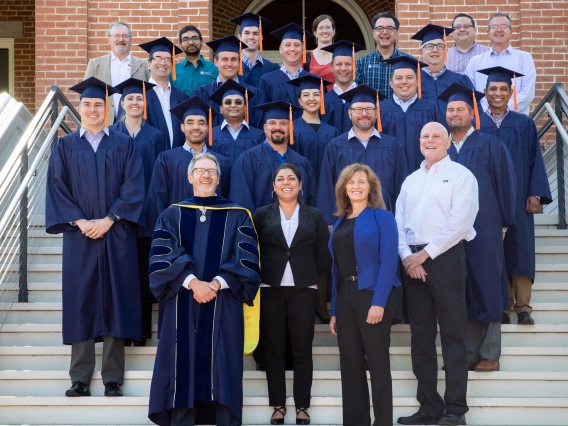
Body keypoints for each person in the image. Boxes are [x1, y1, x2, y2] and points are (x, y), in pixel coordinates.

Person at [45, 77, 145, 398]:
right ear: (80, 108)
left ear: (107, 108)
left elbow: (134, 185)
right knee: (81, 300)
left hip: (115, 233)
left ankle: (113, 377)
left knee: (118, 297)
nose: (91, 109)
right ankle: (80, 378)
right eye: (86, 104)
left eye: (98, 104)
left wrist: (109, 219)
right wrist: (79, 220)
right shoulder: (64, 145)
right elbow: (57, 187)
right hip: (79, 235)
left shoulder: (124, 144)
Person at [147, 152, 261, 426]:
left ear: (219, 179)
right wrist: (192, 282)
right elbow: (161, 256)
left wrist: (217, 283)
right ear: (190, 177)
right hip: (181, 301)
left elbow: (246, 259)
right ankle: (181, 418)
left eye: (211, 171)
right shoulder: (172, 214)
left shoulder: (238, 215)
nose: (206, 175)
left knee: (221, 363)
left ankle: (223, 417)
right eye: (200, 170)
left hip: (224, 301)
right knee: (181, 363)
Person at [395, 121, 478, 426]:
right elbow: (398, 222)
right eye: (424, 136)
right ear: (419, 142)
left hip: (445, 259)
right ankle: (429, 406)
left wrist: (425, 254)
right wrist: (408, 258)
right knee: (421, 337)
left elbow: (460, 222)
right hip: (413, 265)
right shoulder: (411, 181)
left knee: (454, 336)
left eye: (435, 136)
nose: (429, 140)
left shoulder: (461, 176)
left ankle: (456, 409)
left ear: (446, 142)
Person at [439, 83, 517, 374]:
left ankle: (490, 352)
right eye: (450, 109)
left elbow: (506, 185)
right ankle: (469, 352)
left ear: (472, 113)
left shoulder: (490, 144)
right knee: (463, 288)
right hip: (448, 232)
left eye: (460, 109)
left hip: (485, 227)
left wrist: (504, 223)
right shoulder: (441, 148)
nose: (455, 113)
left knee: (488, 284)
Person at [253, 163, 331, 426]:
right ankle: (277, 405)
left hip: (304, 291)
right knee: (273, 349)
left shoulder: (315, 216)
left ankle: (302, 406)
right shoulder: (261, 215)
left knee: (302, 350)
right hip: (270, 290)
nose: (286, 182)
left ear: (300, 184)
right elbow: (254, 253)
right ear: (273, 186)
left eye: (291, 178)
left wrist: (321, 298)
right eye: (280, 179)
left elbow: (322, 257)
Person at [477, 66, 552, 325]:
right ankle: (501, 305)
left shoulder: (524, 123)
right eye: (492, 89)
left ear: (511, 92)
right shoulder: (477, 122)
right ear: (484, 92)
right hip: (486, 199)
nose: (497, 93)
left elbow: (535, 161)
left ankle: (523, 307)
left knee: (520, 248)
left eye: (503, 89)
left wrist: (535, 194)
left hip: (519, 196)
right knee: (493, 249)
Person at [328, 163, 399, 426]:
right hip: (345, 297)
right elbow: (335, 270)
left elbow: (390, 261)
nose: (356, 186)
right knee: (350, 364)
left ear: (371, 188)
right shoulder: (338, 224)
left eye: (362, 182)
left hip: (371, 295)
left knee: (378, 364)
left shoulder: (382, 218)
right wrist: (334, 311)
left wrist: (379, 303)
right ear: (344, 189)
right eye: (351, 182)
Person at [110, 78, 167, 345]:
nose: (135, 102)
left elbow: (160, 176)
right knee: (122, 274)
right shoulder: (111, 133)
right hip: (118, 215)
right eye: (130, 99)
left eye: (139, 99)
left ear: (145, 104)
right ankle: (122, 331)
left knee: (143, 274)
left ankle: (142, 331)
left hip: (146, 213)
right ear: (122, 103)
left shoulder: (155, 135)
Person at [317, 85, 408, 225]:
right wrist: (330, 225)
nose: (364, 114)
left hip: (383, 221)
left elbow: (401, 187)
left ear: (376, 113)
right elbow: (327, 189)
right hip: (345, 222)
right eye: (358, 109)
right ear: (349, 113)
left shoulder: (392, 146)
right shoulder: (335, 146)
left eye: (369, 109)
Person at [144, 97, 231, 239]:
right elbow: (157, 200)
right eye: (190, 122)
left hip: (215, 232)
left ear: (208, 127)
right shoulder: (166, 159)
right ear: (182, 127)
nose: (196, 127)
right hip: (175, 233)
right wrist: (163, 233)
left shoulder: (222, 161)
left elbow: (227, 199)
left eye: (201, 123)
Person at [230, 101, 316, 213]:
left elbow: (311, 202)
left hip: (298, 228)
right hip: (260, 228)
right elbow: (241, 199)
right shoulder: (248, 159)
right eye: (272, 123)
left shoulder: (302, 162)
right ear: (265, 128)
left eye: (283, 123)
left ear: (291, 127)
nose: (277, 127)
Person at [380, 56, 445, 172]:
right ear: (391, 82)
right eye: (398, 78)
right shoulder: (380, 110)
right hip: (388, 173)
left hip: (426, 174)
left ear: (417, 81)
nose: (404, 82)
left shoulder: (431, 109)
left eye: (409, 77)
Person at [465, 12, 536, 116]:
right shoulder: (475, 62)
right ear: (488, 32)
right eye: (494, 26)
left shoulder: (524, 58)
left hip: (516, 120)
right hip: (483, 120)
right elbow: (470, 92)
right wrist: (488, 112)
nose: (499, 30)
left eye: (504, 26)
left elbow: (527, 92)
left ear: (511, 31)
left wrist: (504, 110)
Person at [191, 35, 266, 128]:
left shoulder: (255, 94)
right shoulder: (201, 94)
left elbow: (260, 130)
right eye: (225, 59)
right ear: (215, 61)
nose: (229, 64)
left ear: (239, 62)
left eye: (234, 59)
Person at [84, 22, 150, 124]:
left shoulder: (143, 65)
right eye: (116, 35)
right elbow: (86, 97)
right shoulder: (95, 64)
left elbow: (150, 95)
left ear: (131, 40)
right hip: (103, 123)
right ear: (109, 40)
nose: (121, 39)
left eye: (125, 36)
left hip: (134, 124)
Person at [287, 74, 339, 184]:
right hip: (299, 189)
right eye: (306, 95)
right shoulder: (291, 129)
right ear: (299, 101)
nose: (311, 99)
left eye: (316, 94)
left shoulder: (333, 132)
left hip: (327, 188)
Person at [138, 37, 189, 149]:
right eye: (158, 58)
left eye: (167, 59)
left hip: (177, 160)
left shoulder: (182, 97)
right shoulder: (138, 95)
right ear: (148, 64)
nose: (163, 63)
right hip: (149, 157)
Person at [259, 23, 316, 119]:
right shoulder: (267, 81)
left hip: (307, 133)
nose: (292, 49)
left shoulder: (314, 81)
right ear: (281, 50)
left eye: (297, 45)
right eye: (288, 45)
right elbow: (262, 117)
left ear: (302, 50)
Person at [411, 24, 474, 109]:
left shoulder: (460, 81)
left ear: (446, 51)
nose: (435, 50)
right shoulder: (411, 82)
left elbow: (474, 114)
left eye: (440, 46)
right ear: (421, 52)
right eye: (429, 46)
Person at [355, 12, 413, 98]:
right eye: (380, 28)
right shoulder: (361, 63)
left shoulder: (409, 61)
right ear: (373, 33)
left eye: (389, 28)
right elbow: (357, 95)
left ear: (396, 32)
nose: (385, 32)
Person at [209, 79, 264, 165]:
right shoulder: (210, 135)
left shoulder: (259, 136)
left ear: (245, 107)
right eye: (228, 102)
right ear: (221, 109)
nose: (233, 105)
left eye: (238, 102)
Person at [321, 40, 364, 135]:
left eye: (348, 64)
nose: (343, 68)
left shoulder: (365, 100)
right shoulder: (323, 101)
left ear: (355, 67)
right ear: (331, 67)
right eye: (339, 64)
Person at [231, 13, 280, 87]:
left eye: (255, 33)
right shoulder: (230, 67)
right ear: (239, 37)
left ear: (261, 37)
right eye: (247, 33)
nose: (251, 37)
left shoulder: (273, 68)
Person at [172, 25, 218, 95]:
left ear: (201, 42)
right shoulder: (173, 71)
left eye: (195, 38)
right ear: (180, 45)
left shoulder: (214, 68)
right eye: (185, 39)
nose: (190, 42)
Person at [306, 15, 336, 86]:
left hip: (336, 97)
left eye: (328, 27)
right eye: (321, 28)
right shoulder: (306, 58)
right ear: (315, 33)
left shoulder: (340, 56)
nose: (325, 31)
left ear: (333, 31)